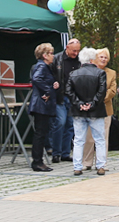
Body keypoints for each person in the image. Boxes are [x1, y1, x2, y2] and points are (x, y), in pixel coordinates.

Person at [67, 47, 108, 176]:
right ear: (92, 59)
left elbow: (69, 91)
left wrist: (79, 104)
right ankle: (100, 166)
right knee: (100, 139)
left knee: (79, 140)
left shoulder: (73, 74)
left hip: (78, 111)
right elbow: (101, 92)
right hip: (96, 111)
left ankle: (77, 167)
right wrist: (92, 104)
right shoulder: (100, 73)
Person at [83, 48, 118, 171]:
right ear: (95, 59)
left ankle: (101, 163)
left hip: (105, 109)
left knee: (103, 137)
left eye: (105, 57)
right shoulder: (89, 71)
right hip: (90, 109)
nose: (103, 59)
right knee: (89, 137)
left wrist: (99, 99)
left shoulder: (112, 73)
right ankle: (86, 162)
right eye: (101, 57)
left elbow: (112, 90)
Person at [51, 39, 82, 163]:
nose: (76, 53)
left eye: (78, 50)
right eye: (74, 50)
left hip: (73, 97)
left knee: (70, 126)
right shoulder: (57, 59)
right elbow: (51, 75)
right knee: (60, 122)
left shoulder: (80, 60)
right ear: (67, 47)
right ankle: (56, 153)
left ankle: (65, 152)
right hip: (61, 96)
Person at [29, 43, 58, 172]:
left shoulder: (45, 67)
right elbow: (36, 79)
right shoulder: (42, 66)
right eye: (51, 53)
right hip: (41, 104)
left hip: (41, 104)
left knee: (41, 132)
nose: (53, 56)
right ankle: (37, 161)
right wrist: (48, 91)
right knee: (40, 133)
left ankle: (38, 160)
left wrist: (53, 85)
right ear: (45, 55)